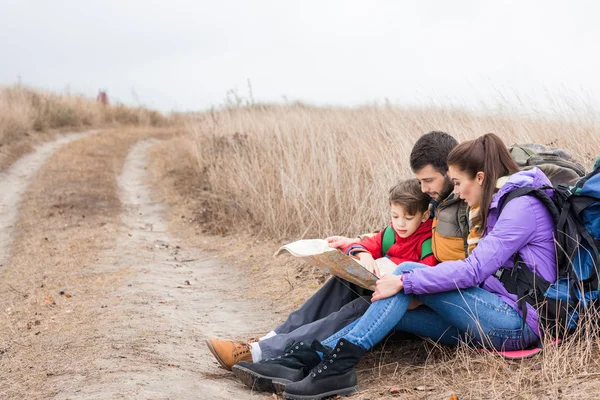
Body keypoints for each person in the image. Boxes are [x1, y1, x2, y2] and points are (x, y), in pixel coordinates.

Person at [235, 133, 557, 400]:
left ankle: (331, 367)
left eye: (458, 183)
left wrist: (408, 282)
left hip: (515, 324)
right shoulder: (496, 205)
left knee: (405, 274)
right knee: (401, 310)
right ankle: (313, 360)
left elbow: (474, 271)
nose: (456, 191)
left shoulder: (521, 208)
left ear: (481, 177)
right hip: (487, 313)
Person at [206, 131, 472, 371]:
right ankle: (269, 340)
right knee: (343, 280)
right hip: (406, 283)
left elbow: (455, 269)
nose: (424, 189)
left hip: (426, 298)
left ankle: (261, 353)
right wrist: (359, 250)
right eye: (421, 182)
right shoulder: (438, 201)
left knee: (362, 305)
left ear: (449, 171)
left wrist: (401, 284)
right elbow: (384, 236)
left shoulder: (464, 207)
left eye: (428, 181)